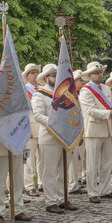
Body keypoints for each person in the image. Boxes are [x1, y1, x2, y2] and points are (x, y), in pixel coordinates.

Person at [0, 71, 31, 223]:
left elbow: (25, 124)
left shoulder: (17, 104)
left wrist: (25, 145)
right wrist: (5, 134)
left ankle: (18, 209)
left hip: (17, 146)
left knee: (17, 180)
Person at [31, 63, 72, 213]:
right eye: (53, 75)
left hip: (65, 135)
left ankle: (63, 199)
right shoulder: (40, 94)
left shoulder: (66, 93)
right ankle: (50, 201)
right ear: (46, 78)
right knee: (49, 170)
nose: (56, 78)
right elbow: (37, 115)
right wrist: (56, 123)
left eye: (57, 75)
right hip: (49, 136)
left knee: (63, 169)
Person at [80, 62, 112, 203]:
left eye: (101, 72)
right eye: (96, 72)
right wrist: (110, 113)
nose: (99, 74)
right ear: (89, 75)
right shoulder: (85, 90)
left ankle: (105, 190)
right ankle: (92, 192)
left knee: (107, 162)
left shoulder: (107, 89)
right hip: (93, 130)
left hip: (107, 129)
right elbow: (90, 111)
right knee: (92, 163)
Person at [22, 63, 42, 197]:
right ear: (27, 76)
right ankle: (29, 186)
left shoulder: (42, 89)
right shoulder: (24, 90)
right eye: (32, 73)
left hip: (43, 128)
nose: (35, 75)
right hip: (30, 128)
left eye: (36, 72)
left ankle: (42, 183)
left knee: (43, 159)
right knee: (29, 161)